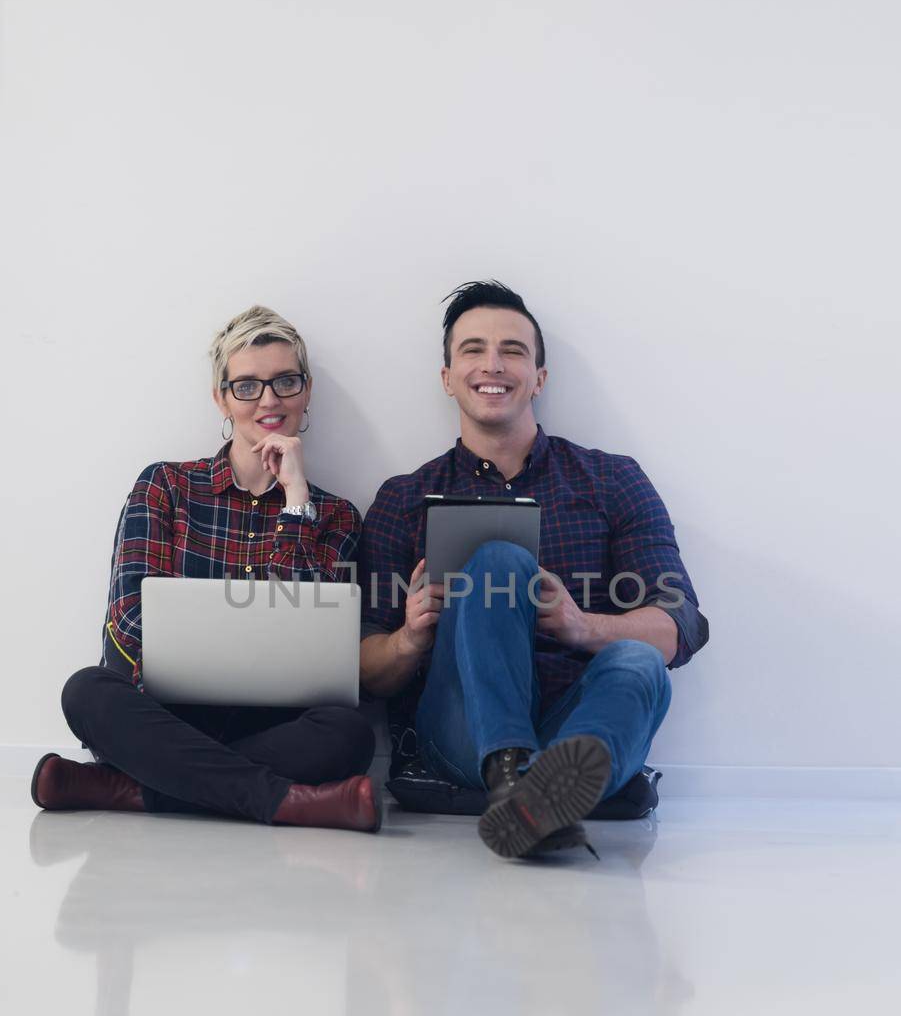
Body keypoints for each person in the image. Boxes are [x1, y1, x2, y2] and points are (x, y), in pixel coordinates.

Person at [358, 280, 709, 858]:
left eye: (513, 351)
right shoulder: (405, 497)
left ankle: (538, 796)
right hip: (462, 734)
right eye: (472, 349)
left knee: (639, 660)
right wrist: (409, 639)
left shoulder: (612, 479)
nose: (492, 364)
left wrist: (580, 626)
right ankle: (517, 777)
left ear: (539, 378)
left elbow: (680, 627)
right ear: (446, 377)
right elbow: (364, 669)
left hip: (581, 720)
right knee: (498, 559)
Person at [32, 305, 380, 831]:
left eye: (285, 382)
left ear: (306, 392)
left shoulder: (334, 515)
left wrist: (294, 502)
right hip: (168, 714)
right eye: (247, 386)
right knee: (86, 692)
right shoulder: (165, 486)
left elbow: (311, 641)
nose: (268, 400)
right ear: (221, 397)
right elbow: (129, 625)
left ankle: (127, 788)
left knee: (350, 734)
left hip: (270, 723)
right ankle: (280, 799)